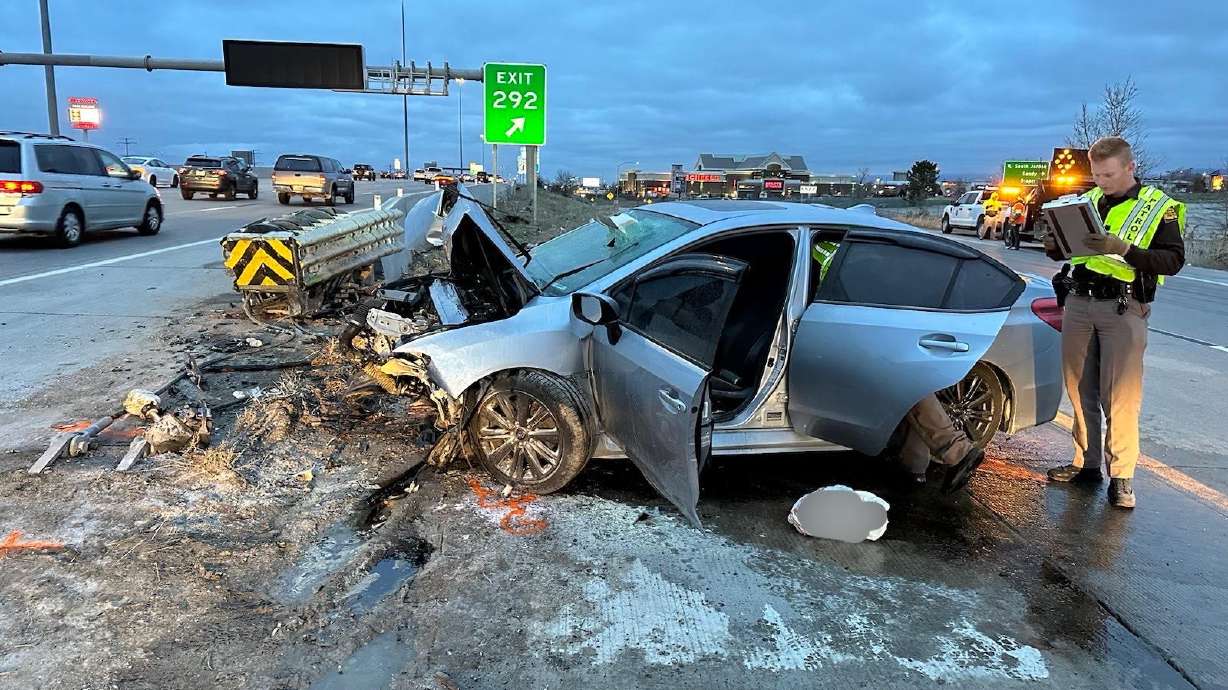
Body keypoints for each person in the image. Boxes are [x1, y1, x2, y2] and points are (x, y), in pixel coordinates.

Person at [1043, 136, 1186, 509]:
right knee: (1079, 389)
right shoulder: (1087, 201)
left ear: (1129, 167)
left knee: (1120, 396)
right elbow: (1064, 250)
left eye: (1108, 174)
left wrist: (1122, 249)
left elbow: (1171, 260)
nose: (1101, 181)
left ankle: (1121, 477)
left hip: (1122, 307)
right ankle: (1086, 464)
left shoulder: (1159, 208)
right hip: (1078, 302)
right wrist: (1054, 239)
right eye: (1096, 174)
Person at [812, 237, 985, 493]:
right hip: (885, 331)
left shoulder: (857, 262)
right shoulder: (859, 254)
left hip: (890, 332)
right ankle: (916, 467)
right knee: (909, 387)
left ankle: (952, 452)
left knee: (907, 387)